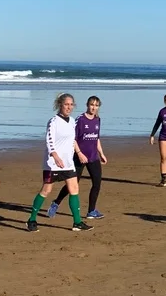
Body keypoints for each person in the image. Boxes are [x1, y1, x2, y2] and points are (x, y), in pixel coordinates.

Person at [26, 94, 93, 233]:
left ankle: (77, 222)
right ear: (60, 105)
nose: (69, 107)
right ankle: (31, 219)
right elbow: (49, 140)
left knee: (74, 189)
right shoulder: (53, 121)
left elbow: (72, 140)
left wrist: (79, 153)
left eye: (71, 104)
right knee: (46, 190)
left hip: (68, 162)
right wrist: (55, 156)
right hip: (53, 163)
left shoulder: (72, 121)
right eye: (66, 104)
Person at [47, 96, 107, 220]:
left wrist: (101, 153)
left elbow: (96, 138)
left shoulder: (97, 120)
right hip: (79, 157)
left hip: (93, 157)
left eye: (96, 105)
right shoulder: (80, 120)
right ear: (87, 105)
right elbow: (73, 139)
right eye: (91, 105)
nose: (93, 108)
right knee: (72, 184)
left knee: (97, 183)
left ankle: (91, 211)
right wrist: (79, 153)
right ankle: (56, 202)